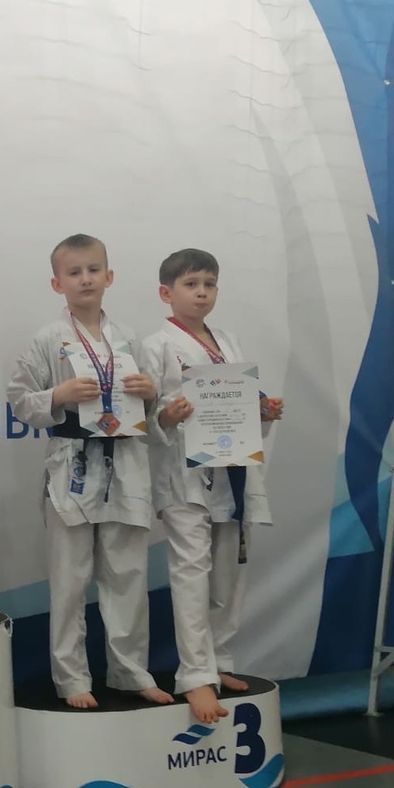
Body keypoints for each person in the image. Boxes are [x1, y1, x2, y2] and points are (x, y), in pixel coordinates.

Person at [7, 234, 173, 709]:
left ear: (109, 276)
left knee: (127, 573)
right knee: (70, 577)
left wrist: (151, 392)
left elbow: (154, 409)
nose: (85, 279)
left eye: (93, 270)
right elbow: (19, 401)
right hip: (72, 463)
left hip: (126, 459)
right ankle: (71, 677)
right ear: (57, 283)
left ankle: (130, 671)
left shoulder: (130, 339)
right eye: (74, 272)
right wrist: (57, 396)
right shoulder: (47, 338)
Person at [142, 248, 282, 724]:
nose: (201, 293)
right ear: (166, 293)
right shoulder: (156, 346)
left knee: (228, 574)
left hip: (233, 469)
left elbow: (241, 405)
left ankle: (220, 660)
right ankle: (196, 677)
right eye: (190, 284)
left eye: (208, 284)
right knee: (191, 574)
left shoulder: (229, 342)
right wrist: (166, 416)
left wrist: (262, 412)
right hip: (184, 476)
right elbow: (146, 418)